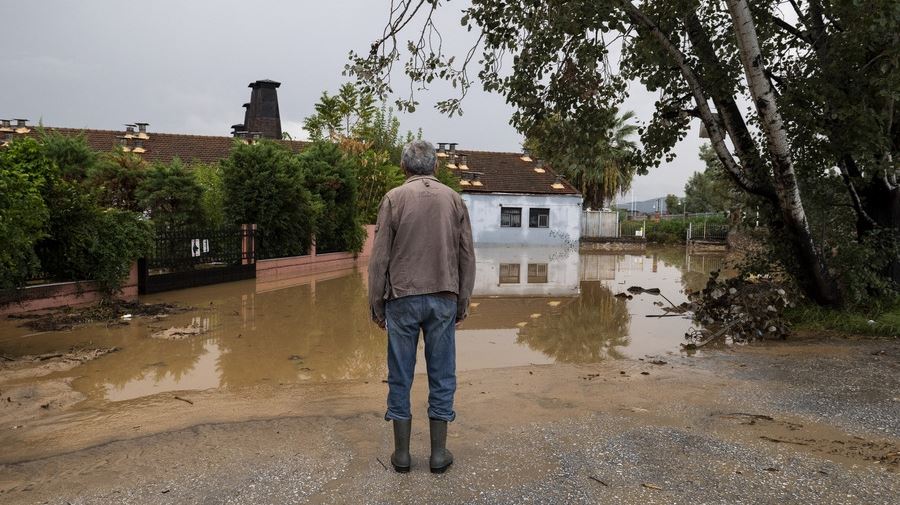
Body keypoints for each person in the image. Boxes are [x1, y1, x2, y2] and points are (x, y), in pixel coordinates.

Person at [368, 140, 476, 474]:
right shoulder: (454, 200)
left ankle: (402, 456)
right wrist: (463, 303)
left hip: (401, 298)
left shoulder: (393, 198)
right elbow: (466, 256)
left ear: (404, 167)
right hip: (443, 296)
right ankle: (438, 455)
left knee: (400, 374)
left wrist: (376, 304)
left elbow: (379, 258)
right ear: (435, 168)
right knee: (442, 374)